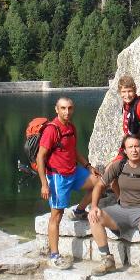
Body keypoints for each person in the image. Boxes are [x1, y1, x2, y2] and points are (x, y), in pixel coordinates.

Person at [88, 134, 140, 280]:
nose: (134, 150)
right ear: (125, 151)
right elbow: (100, 185)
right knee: (95, 216)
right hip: (121, 209)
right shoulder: (119, 165)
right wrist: (94, 206)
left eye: (137, 146)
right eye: (130, 147)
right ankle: (107, 259)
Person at [37, 96, 100, 270]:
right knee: (56, 216)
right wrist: (44, 183)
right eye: (63, 108)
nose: (67, 112)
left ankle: (79, 211)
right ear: (56, 109)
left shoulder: (71, 127)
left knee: (98, 183)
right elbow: (40, 157)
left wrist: (88, 166)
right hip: (58, 177)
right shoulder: (52, 129)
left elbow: (73, 150)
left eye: (70, 108)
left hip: (74, 171)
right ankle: (54, 255)